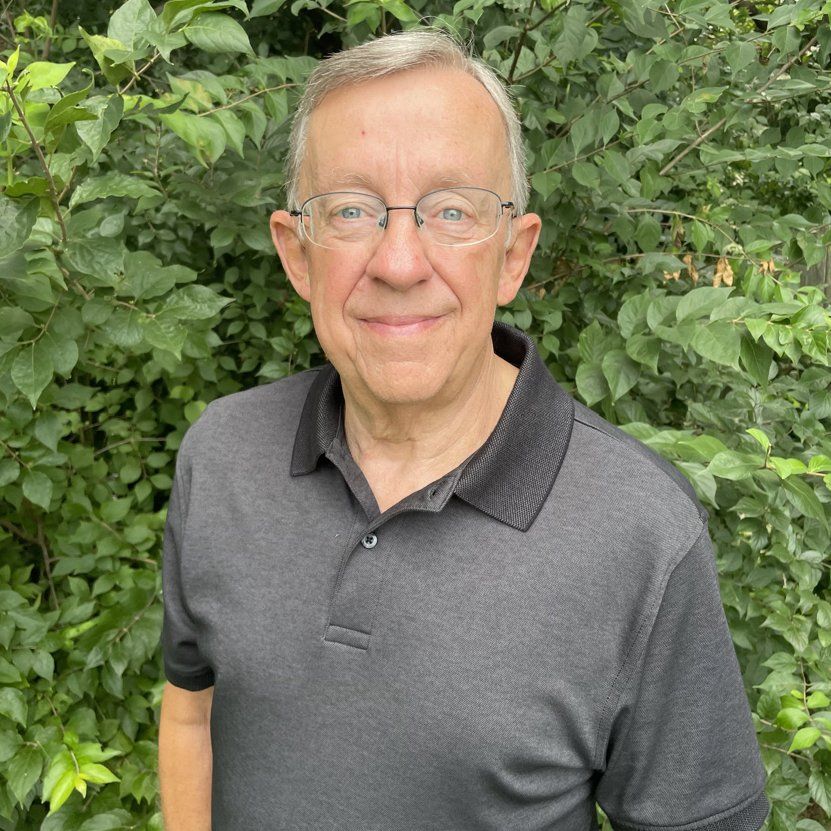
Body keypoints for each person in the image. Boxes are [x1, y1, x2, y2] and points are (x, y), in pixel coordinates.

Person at [158, 29, 771, 831]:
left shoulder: (639, 533)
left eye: (452, 211)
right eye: (350, 210)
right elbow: (190, 711)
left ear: (512, 257)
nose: (400, 262)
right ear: (296, 253)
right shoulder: (222, 454)